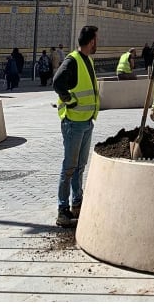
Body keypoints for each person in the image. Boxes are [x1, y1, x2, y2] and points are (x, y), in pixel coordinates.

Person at [52, 25, 100, 228]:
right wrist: (69, 100)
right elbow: (57, 82)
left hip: (86, 121)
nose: (97, 42)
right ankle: (63, 210)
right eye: (96, 39)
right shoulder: (72, 60)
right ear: (91, 41)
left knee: (80, 166)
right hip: (74, 122)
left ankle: (77, 203)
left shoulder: (87, 60)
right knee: (69, 167)